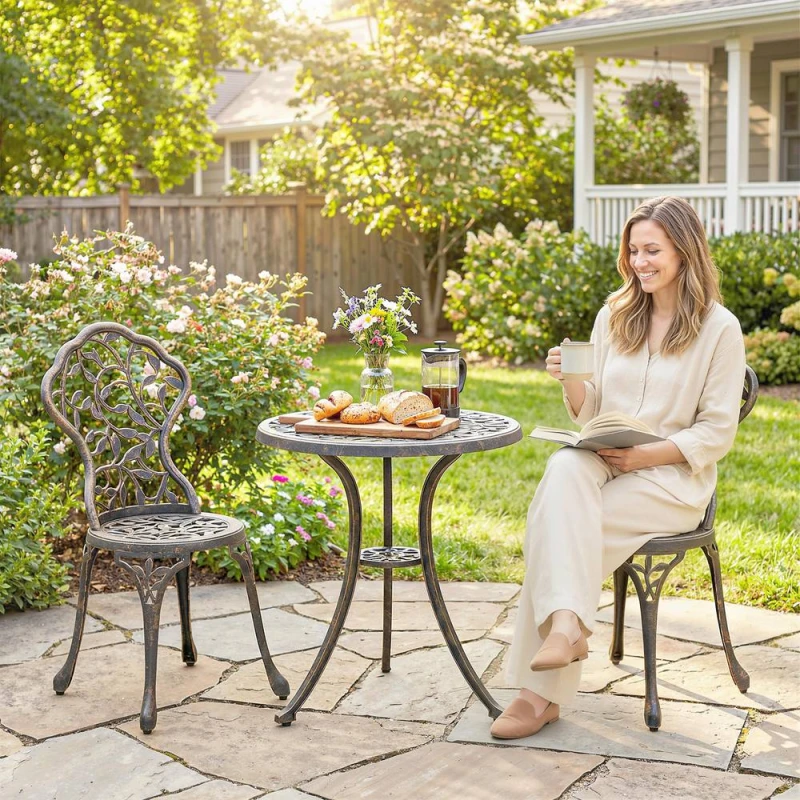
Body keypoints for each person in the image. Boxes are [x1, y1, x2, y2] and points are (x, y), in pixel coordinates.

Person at [491, 196, 746, 739]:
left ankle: (539, 694)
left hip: (672, 479)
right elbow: (591, 411)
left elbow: (717, 429)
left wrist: (645, 455)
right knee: (563, 468)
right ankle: (567, 625)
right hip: (606, 459)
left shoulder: (719, 328)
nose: (640, 261)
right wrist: (569, 379)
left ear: (684, 250)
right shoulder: (615, 314)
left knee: (556, 524)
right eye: (633, 250)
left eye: (652, 249)